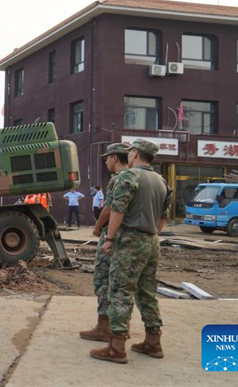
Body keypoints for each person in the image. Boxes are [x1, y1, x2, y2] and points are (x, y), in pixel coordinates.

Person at [91, 139, 171, 364]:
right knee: (147, 291)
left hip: (129, 241)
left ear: (134, 154)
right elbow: (163, 216)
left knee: (120, 291)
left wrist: (108, 238)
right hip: (151, 240)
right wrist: (152, 234)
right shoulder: (161, 181)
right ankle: (153, 342)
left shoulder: (129, 177)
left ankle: (116, 347)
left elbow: (117, 209)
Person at [80, 143, 130, 342]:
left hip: (113, 235)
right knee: (123, 285)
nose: (106, 161)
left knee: (103, 280)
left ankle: (104, 327)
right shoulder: (138, 178)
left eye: (107, 158)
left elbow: (110, 208)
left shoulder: (118, 180)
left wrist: (98, 227)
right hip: (128, 237)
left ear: (115, 158)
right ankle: (121, 327)